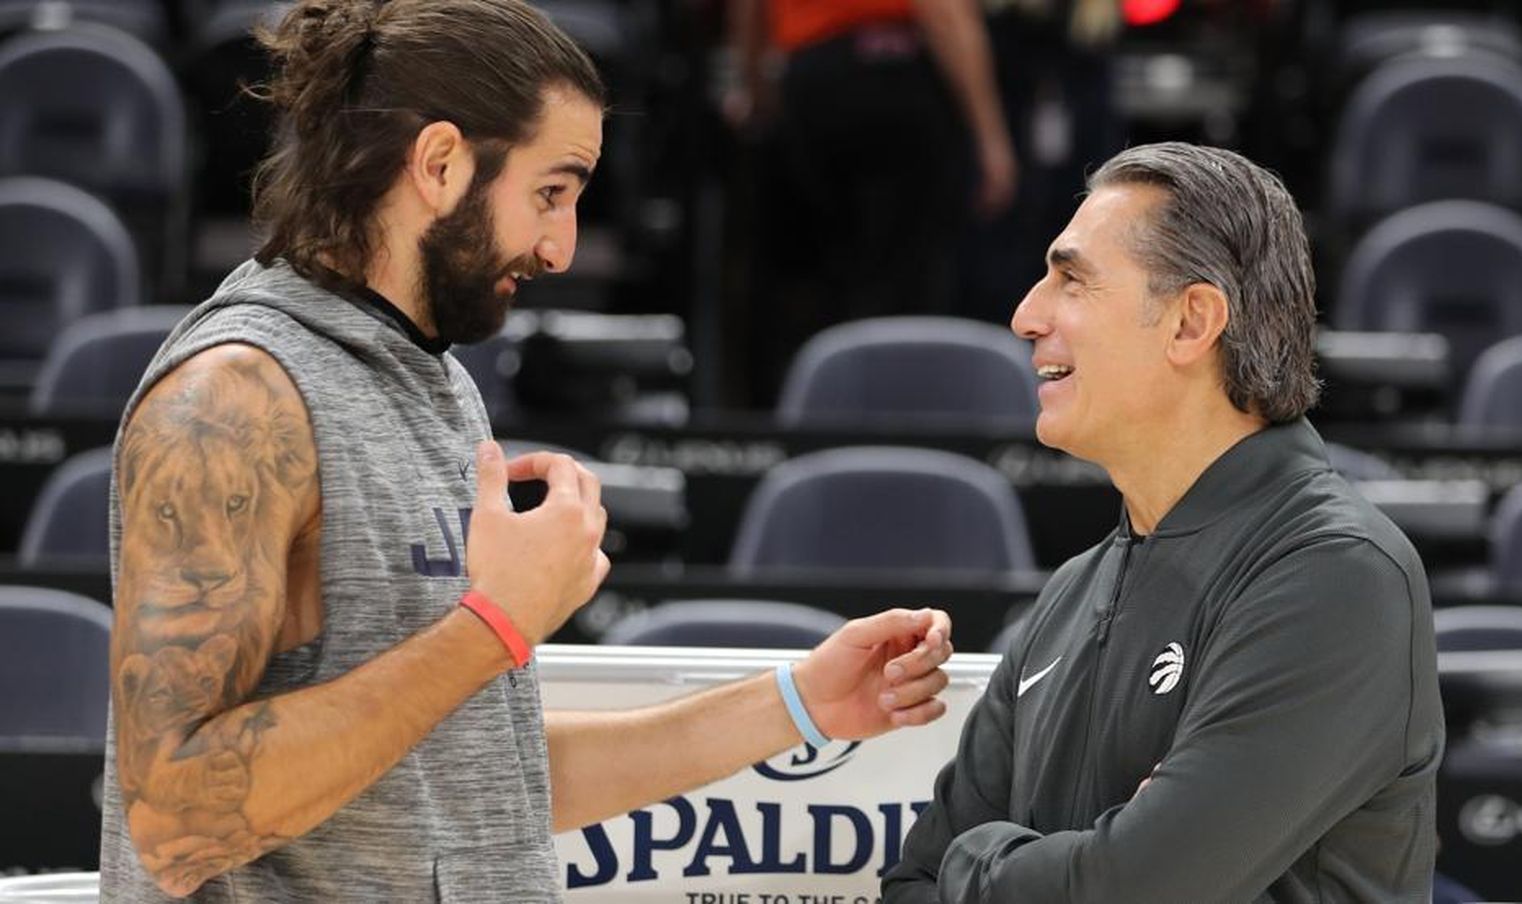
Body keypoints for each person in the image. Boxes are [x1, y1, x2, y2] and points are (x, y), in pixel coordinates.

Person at [99, 2, 954, 900]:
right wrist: (495, 626)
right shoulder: (232, 397)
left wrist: (795, 705)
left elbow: (470, 784)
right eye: (552, 191)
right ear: (438, 164)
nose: (562, 245)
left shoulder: (430, 377)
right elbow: (177, 818)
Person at [882, 143, 1445, 902]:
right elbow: (909, 885)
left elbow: (1133, 891)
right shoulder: (1071, 593)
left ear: (1191, 322)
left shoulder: (1338, 575)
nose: (1025, 315)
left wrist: (977, 858)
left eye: (1071, 279)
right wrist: (1084, 858)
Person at [723, 0, 1016, 404]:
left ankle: (811, 417)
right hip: (898, 83)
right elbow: (945, 14)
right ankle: (896, 423)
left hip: (812, 80)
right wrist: (991, 136)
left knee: (816, 280)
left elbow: (748, 12)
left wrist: (755, 87)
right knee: (904, 282)